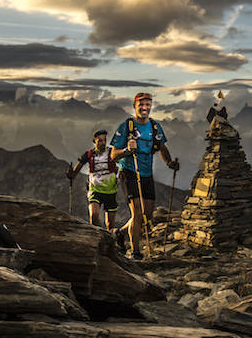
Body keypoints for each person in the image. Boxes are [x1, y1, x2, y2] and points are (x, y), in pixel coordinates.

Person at [110, 92, 179, 259]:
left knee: (147, 215)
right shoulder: (126, 126)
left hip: (147, 173)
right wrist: (127, 150)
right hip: (129, 172)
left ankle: (119, 233)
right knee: (138, 213)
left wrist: (169, 163)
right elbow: (113, 155)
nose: (145, 107)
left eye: (148, 104)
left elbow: (161, 147)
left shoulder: (155, 127)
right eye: (141, 104)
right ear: (134, 106)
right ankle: (135, 252)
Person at [67, 130, 119, 229]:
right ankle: (97, 238)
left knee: (110, 225)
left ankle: (109, 242)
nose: (103, 143)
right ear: (94, 141)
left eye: (104, 140)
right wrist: (71, 174)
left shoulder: (112, 153)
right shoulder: (89, 154)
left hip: (111, 191)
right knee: (94, 216)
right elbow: (75, 171)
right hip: (95, 190)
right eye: (100, 141)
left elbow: (122, 162)